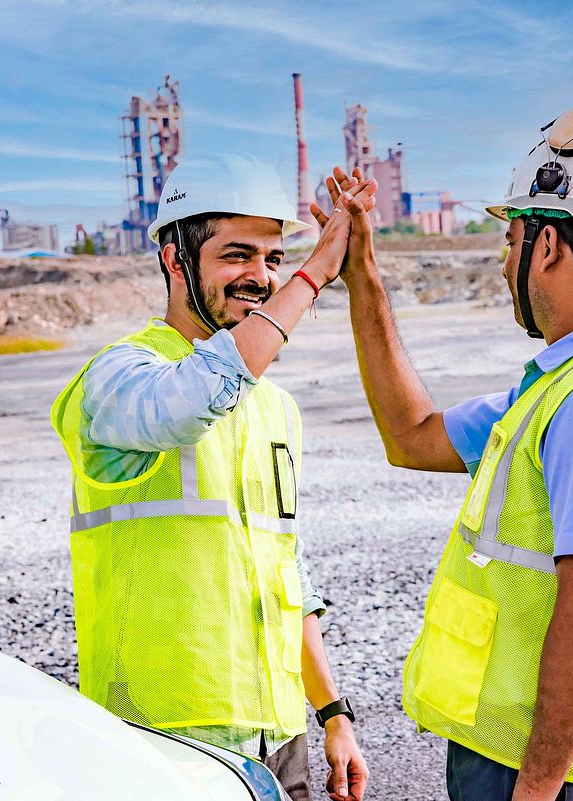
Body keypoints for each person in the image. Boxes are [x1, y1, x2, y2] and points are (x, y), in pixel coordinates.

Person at [315, 106, 573, 801]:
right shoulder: (559, 387)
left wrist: (536, 791)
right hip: (529, 756)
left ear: (547, 248)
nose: (504, 259)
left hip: (554, 772)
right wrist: (362, 272)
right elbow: (412, 433)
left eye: (511, 240)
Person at [51, 153, 374, 801]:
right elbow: (186, 403)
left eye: (274, 258)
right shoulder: (118, 378)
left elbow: (287, 570)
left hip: (277, 736)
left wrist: (333, 713)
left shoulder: (275, 406)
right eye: (236, 255)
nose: (261, 276)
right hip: (167, 734)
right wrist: (313, 275)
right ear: (174, 259)